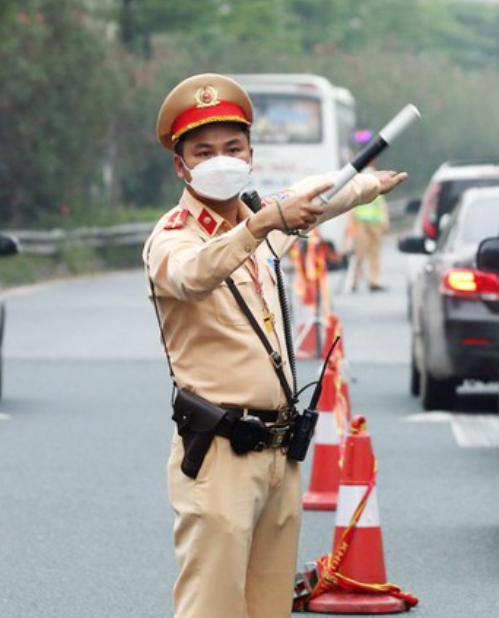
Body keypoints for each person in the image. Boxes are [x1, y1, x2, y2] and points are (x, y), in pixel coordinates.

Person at [142, 73, 406, 618]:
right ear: (181, 164)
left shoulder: (260, 220)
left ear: (250, 153)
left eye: (232, 148)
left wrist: (368, 186)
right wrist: (260, 226)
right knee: (212, 607)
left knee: (269, 607)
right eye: (204, 151)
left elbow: (318, 195)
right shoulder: (174, 237)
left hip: (279, 452)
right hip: (218, 455)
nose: (221, 159)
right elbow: (194, 276)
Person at [351, 180, 390, 292]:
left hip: (375, 224)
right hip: (361, 224)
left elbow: (382, 207)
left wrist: (385, 222)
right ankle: (355, 280)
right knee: (359, 253)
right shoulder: (358, 192)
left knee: (375, 253)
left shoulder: (378, 192)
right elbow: (351, 209)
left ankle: (374, 280)